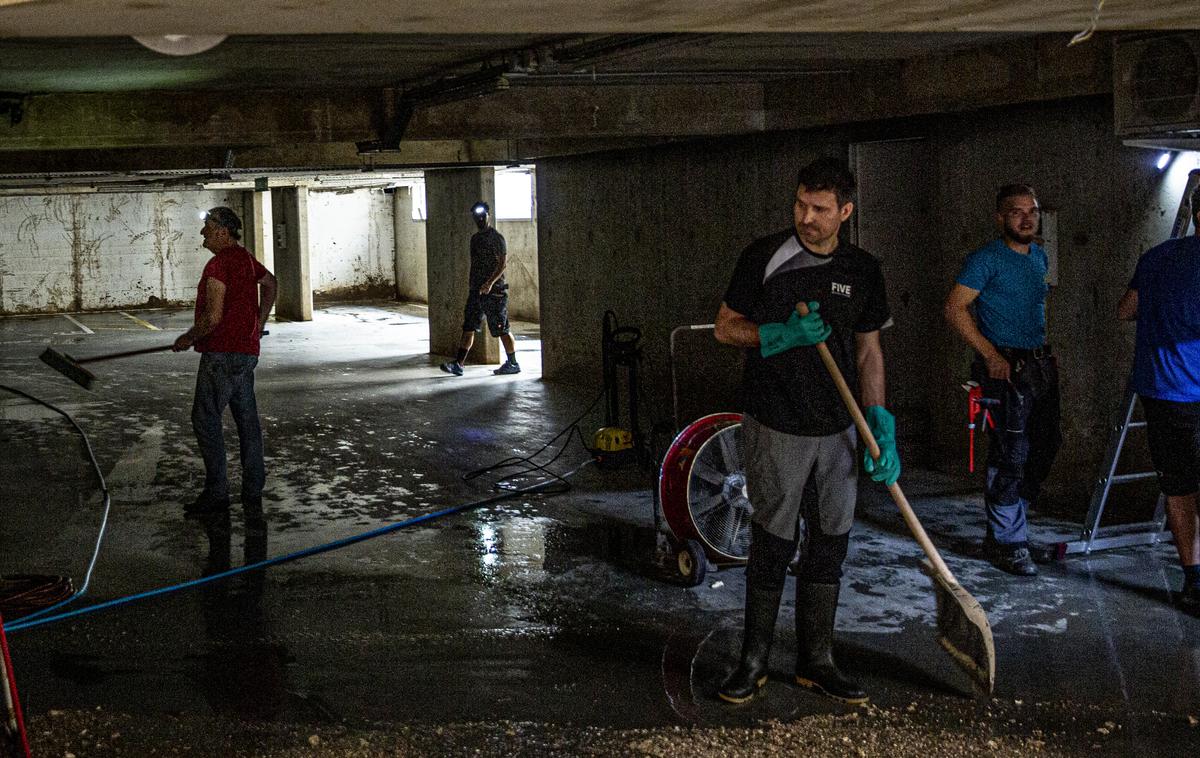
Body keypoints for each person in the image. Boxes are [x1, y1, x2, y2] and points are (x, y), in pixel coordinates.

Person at [714, 158, 897, 705]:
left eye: (820, 209)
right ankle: (753, 661)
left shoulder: (865, 270)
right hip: (778, 421)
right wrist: (780, 333)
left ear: (845, 210)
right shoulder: (764, 257)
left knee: (831, 543)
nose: (806, 217)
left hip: (841, 428)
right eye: (800, 204)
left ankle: (817, 661)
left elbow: (868, 350)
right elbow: (725, 328)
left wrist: (879, 421)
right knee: (773, 541)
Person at [944, 183, 1060, 577]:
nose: (1027, 218)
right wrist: (990, 355)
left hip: (1039, 365)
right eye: (1017, 212)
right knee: (1011, 453)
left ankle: (1015, 531)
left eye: (1033, 210)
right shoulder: (985, 260)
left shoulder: (1039, 257)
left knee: (1045, 444)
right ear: (1000, 218)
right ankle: (1008, 541)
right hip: (1005, 368)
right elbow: (955, 309)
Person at [1117, 183, 1200, 611]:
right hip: (1188, 389)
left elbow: (1125, 309)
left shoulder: (1157, 256)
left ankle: (1193, 579)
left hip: (1161, 388)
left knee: (1179, 486)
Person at [173, 206, 276, 534]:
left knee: (205, 419)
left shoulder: (218, 265)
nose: (203, 233)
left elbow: (213, 317)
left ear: (222, 230)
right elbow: (271, 283)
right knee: (246, 420)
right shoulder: (245, 259)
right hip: (246, 354)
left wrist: (189, 336)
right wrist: (258, 325)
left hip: (222, 355)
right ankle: (252, 487)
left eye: (208, 227)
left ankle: (217, 492)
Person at [440, 201, 520, 376]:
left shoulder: (496, 238)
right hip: (476, 292)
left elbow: (502, 264)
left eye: (483, 215)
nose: (481, 219)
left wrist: (490, 283)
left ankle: (513, 363)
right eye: (477, 216)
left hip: (495, 293)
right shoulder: (475, 239)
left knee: (501, 329)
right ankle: (459, 364)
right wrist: (474, 286)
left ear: (489, 216)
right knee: (469, 326)